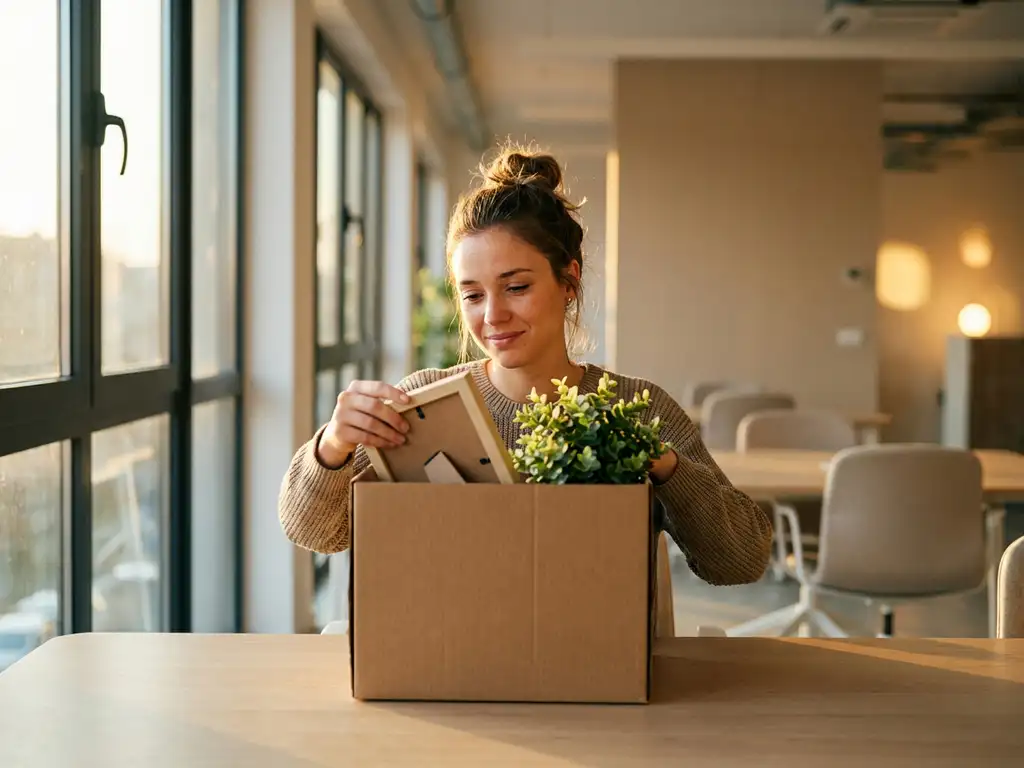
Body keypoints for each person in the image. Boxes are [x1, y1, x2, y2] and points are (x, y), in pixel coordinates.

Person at [278, 144, 772, 586]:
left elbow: (741, 562)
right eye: (472, 294)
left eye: (516, 287)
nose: (492, 316)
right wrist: (332, 447)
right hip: (450, 655)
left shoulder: (634, 410)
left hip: (593, 665)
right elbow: (313, 531)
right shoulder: (426, 406)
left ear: (569, 281)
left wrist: (661, 464)